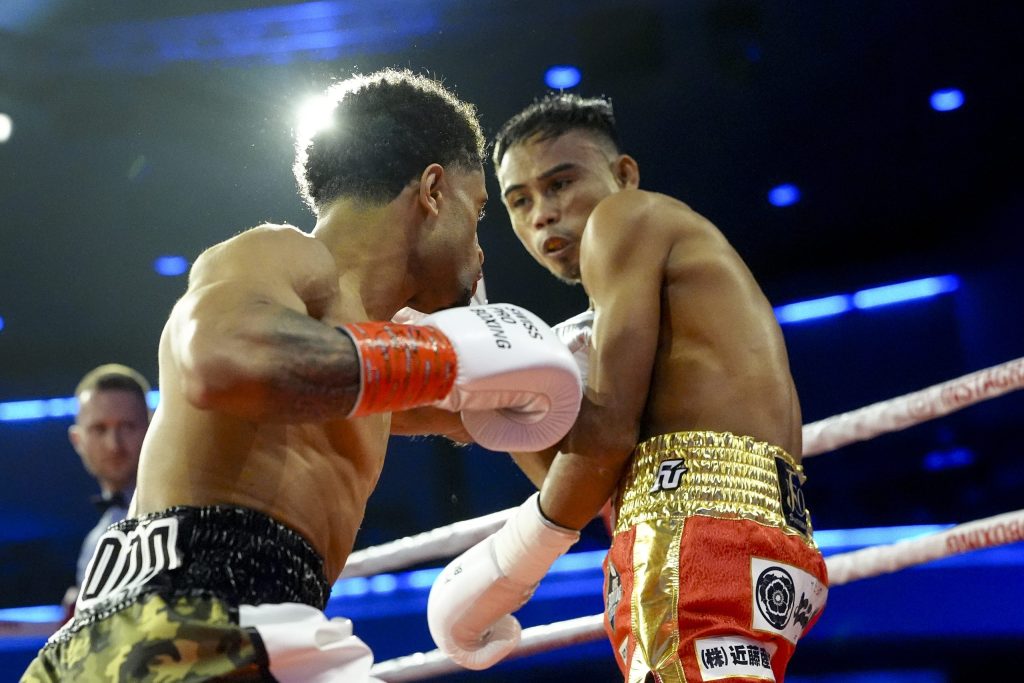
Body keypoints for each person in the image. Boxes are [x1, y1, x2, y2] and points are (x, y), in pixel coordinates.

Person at [21, 69, 581, 683]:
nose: (479, 251)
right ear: (433, 191)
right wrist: (442, 355)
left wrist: (512, 566)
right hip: (191, 619)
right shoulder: (282, 258)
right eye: (478, 212)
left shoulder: (370, 369)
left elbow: (545, 440)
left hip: (190, 631)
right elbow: (220, 361)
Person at [427, 93, 828, 682]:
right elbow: (589, 486)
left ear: (624, 174)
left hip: (693, 541)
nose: (543, 214)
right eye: (520, 201)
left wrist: (507, 565)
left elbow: (605, 439)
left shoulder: (627, 216)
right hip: (756, 543)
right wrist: (497, 399)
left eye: (560, 183)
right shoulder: (640, 315)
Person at [61, 364, 152, 619]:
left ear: (152, 427)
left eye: (127, 427)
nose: (114, 445)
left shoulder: (186, 509)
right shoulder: (94, 542)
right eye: (99, 429)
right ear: (77, 440)